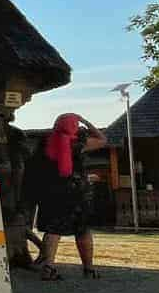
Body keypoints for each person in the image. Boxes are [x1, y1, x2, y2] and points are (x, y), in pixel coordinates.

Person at [24, 112, 108, 280]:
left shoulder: (45, 143)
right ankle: (88, 268)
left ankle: (48, 267)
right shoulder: (78, 144)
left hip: (51, 192)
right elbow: (102, 139)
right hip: (77, 193)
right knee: (82, 230)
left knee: (53, 231)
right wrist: (86, 121)